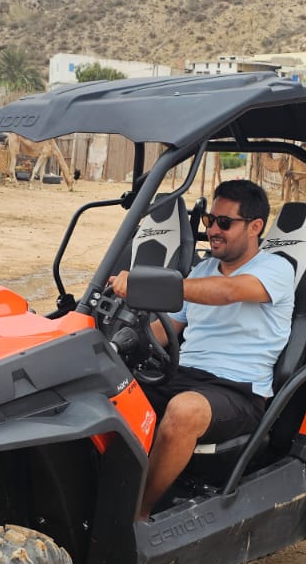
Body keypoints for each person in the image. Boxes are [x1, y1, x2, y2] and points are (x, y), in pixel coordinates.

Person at [109, 179, 294, 519]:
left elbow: (226, 292)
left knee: (183, 411)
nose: (213, 231)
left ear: (255, 227)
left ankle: (138, 516)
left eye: (225, 223)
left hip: (238, 390)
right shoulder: (203, 269)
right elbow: (168, 329)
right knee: (110, 394)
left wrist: (143, 282)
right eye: (210, 220)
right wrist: (114, 346)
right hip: (182, 374)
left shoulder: (275, 268)